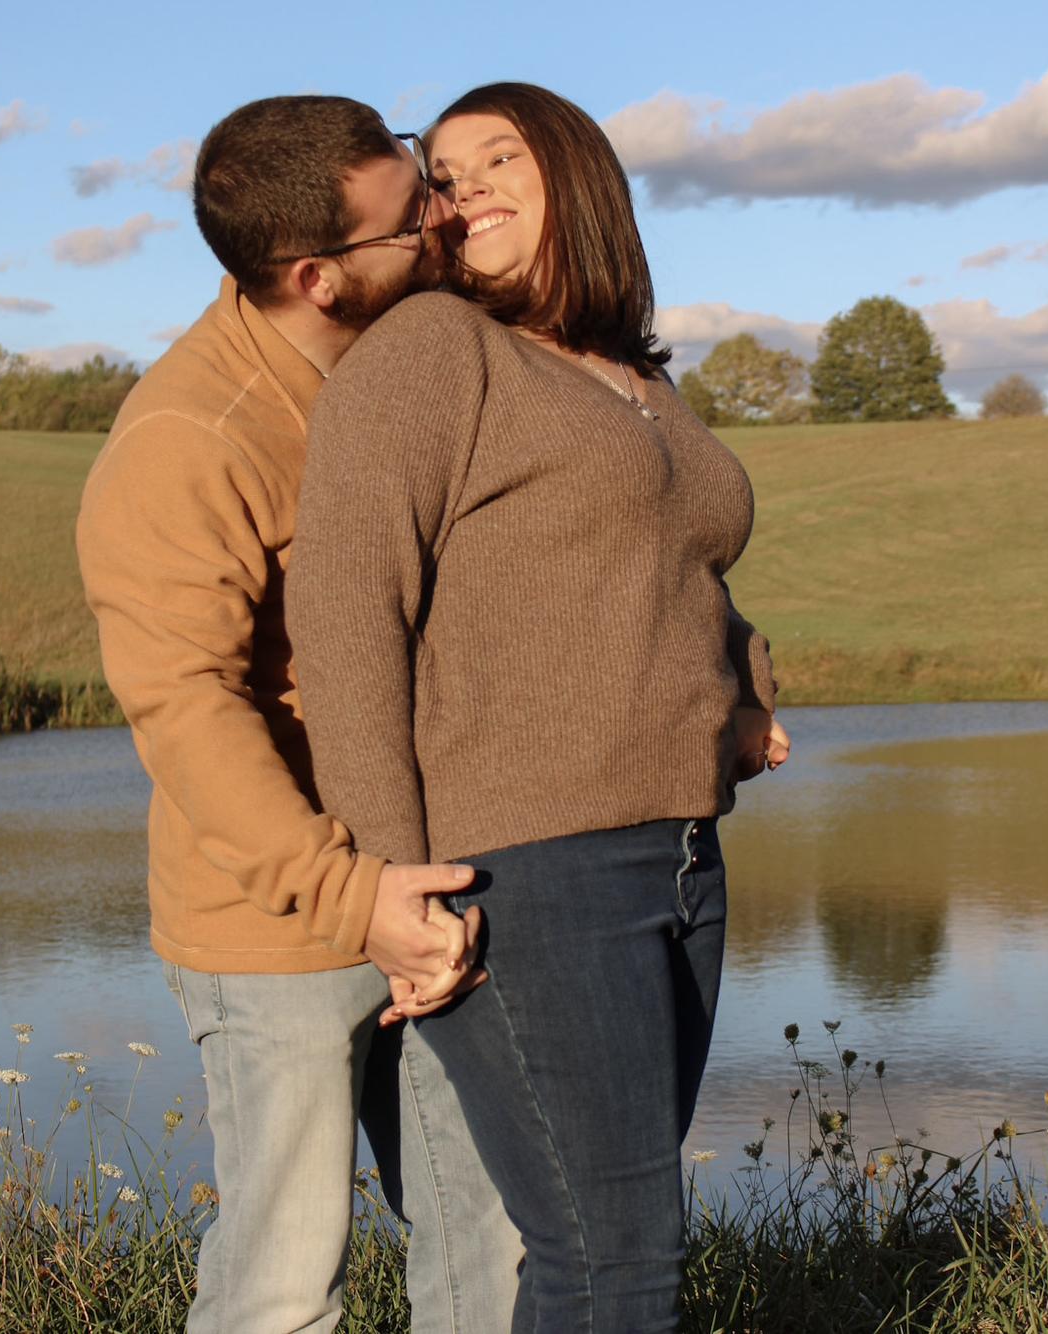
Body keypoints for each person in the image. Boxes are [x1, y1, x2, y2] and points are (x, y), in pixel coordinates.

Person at [286, 82, 791, 1331]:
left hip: (673, 856)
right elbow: (346, 613)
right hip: (526, 868)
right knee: (609, 1258)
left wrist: (741, 687)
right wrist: (392, 878)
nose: (467, 188)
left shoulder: (623, 374)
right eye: (444, 175)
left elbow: (672, 558)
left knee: (606, 1242)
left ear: (578, 173)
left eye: (501, 156)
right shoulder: (431, 351)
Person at [76, 94, 520, 1334]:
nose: (444, 219)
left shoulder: (416, 357)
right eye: (411, 215)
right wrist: (350, 896)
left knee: (488, 1249)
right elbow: (185, 706)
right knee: (281, 1282)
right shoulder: (187, 438)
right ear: (320, 278)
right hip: (281, 927)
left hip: (434, 889)